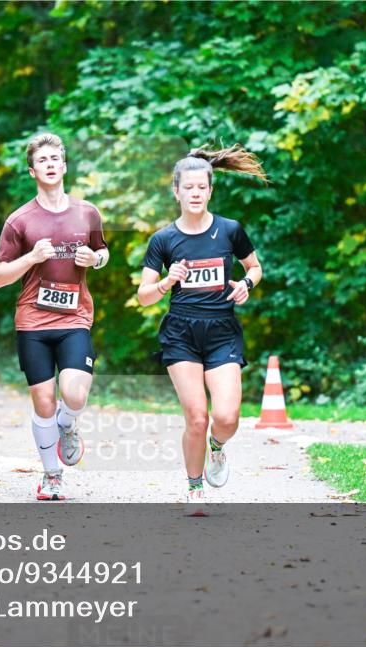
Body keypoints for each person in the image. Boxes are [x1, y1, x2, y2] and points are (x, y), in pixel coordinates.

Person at [136, 144, 265, 510]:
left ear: (210, 190)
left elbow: (254, 268)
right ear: (176, 191)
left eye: (201, 188)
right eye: (188, 188)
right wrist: (165, 282)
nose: (195, 194)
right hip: (181, 334)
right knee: (197, 416)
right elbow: (144, 295)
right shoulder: (163, 240)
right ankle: (194, 486)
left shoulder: (230, 230)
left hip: (222, 330)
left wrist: (246, 285)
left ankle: (217, 447)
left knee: (226, 418)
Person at [0, 133, 109, 501]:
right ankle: (52, 475)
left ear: (65, 166)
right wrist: (31, 259)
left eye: (56, 158)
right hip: (33, 322)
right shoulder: (19, 221)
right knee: (43, 401)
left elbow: (103, 252)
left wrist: (95, 259)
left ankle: (68, 424)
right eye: (43, 160)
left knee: (73, 394)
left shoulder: (87, 212)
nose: (51, 164)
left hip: (75, 317)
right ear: (32, 170)